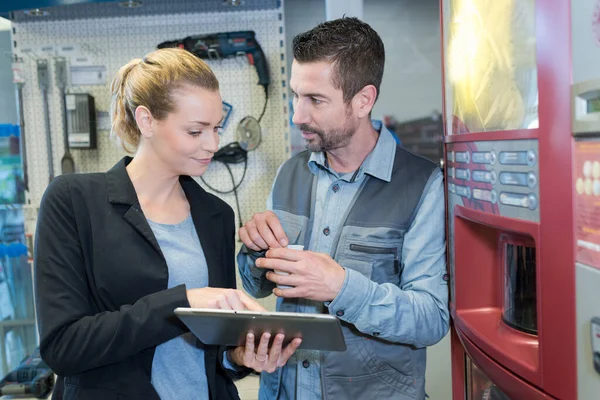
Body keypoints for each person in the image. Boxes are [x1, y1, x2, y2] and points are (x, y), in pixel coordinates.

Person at [34, 48, 300, 400]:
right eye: (195, 131)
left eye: (217, 128)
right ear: (146, 121)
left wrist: (240, 356)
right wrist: (183, 303)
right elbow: (63, 346)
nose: (213, 144)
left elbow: (214, 349)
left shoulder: (215, 215)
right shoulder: (73, 201)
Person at [237, 17, 449, 400]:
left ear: (363, 100)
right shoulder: (290, 172)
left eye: (315, 100)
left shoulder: (422, 184)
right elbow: (260, 285)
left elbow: (431, 318)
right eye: (294, 96)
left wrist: (341, 287)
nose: (297, 115)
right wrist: (253, 253)